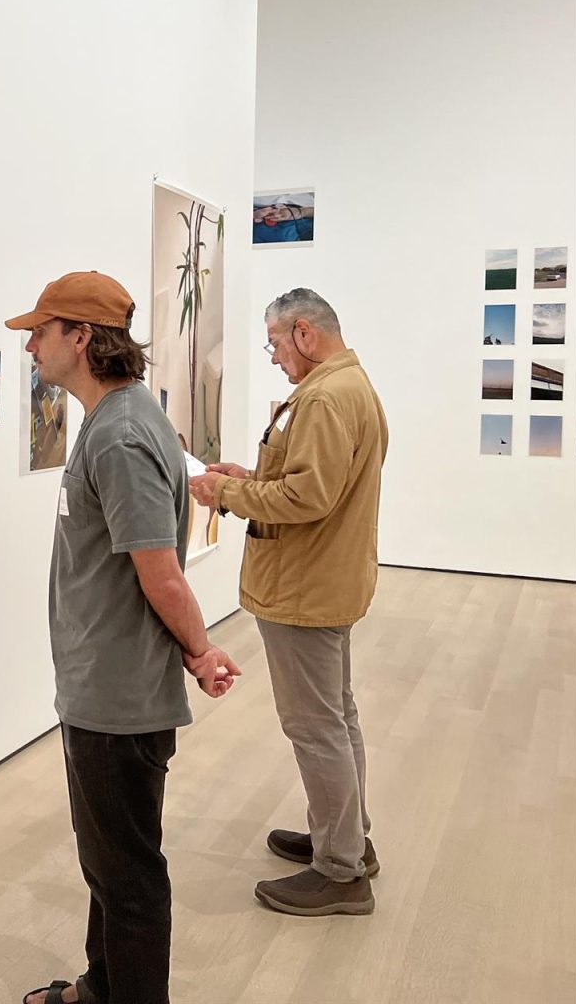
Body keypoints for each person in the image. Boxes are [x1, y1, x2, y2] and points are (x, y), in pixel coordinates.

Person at [6, 271, 239, 1004]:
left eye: (41, 331)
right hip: (99, 683)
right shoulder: (118, 419)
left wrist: (201, 652)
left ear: (82, 338)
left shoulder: (125, 433)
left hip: (117, 696)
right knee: (107, 862)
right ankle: (101, 987)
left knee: (129, 875)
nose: (30, 346)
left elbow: (161, 573)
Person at [189, 288, 388, 917]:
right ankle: (346, 841)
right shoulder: (346, 387)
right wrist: (248, 479)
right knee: (337, 716)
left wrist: (226, 495)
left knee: (316, 725)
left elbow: (308, 499)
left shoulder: (327, 396)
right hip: (324, 580)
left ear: (304, 333)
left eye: (275, 343)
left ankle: (340, 872)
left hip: (305, 588)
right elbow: (310, 481)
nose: (273, 357)